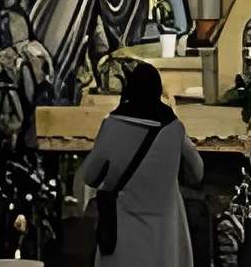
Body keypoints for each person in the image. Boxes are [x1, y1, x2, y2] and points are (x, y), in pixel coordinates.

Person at [80, 61, 203, 267]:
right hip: (165, 241)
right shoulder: (174, 128)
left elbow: (90, 176)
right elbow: (197, 172)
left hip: (122, 241)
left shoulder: (113, 125)